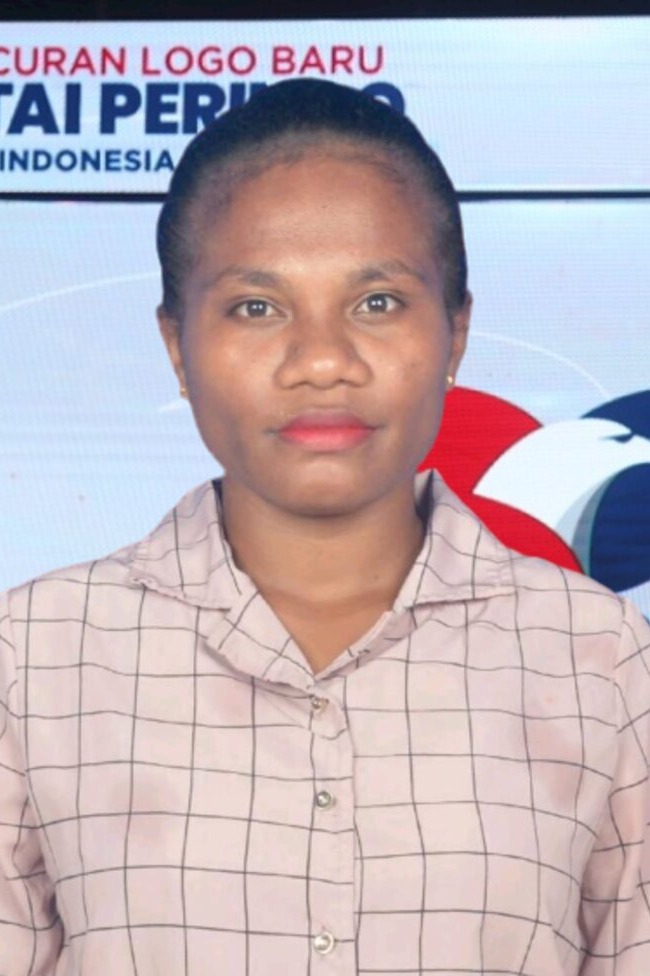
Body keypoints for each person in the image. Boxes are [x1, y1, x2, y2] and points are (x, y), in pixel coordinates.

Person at [1, 78, 650, 976]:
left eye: (377, 301)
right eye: (256, 306)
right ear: (176, 345)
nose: (321, 361)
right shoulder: (32, 657)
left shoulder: (600, 657)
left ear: (457, 332)